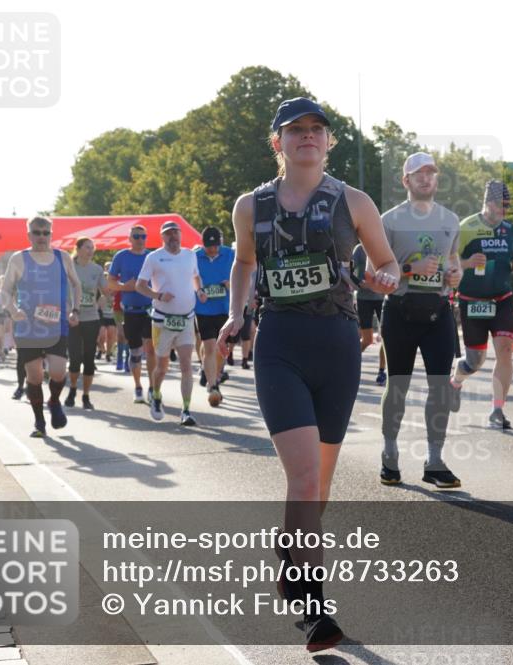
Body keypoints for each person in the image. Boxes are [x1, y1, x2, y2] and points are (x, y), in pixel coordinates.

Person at [217, 97, 398, 652]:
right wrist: (236, 313)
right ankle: (316, 611)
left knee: (318, 489)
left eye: (317, 129)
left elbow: (386, 261)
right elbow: (244, 261)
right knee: (303, 478)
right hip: (281, 345)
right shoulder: (251, 205)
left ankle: (291, 553)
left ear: (328, 141)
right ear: (278, 142)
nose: (308, 137)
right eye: (295, 130)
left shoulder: (353, 201)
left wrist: (387, 277)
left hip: (338, 346)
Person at [379, 152, 463, 488]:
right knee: (398, 386)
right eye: (418, 173)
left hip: (438, 310)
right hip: (399, 310)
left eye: (430, 172)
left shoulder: (450, 219)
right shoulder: (388, 220)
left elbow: (453, 259)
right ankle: (389, 454)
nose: (426, 178)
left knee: (440, 387)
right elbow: (374, 272)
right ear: (406, 180)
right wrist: (410, 269)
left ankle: (435, 461)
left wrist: (455, 274)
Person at [451, 179, 513, 429]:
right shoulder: (467, 227)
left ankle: (497, 410)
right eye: (501, 204)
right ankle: (456, 381)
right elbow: (447, 261)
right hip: (472, 301)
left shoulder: (509, 229)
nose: (505, 209)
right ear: (488, 203)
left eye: (508, 205)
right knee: (474, 361)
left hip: (502, 299)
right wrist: (467, 263)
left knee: (505, 351)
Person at [1, 216, 82, 437]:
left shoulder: (62, 257)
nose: (41, 237)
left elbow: (77, 285)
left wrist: (75, 310)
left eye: (46, 233)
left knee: (58, 371)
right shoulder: (19, 259)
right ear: (29, 235)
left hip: (57, 324)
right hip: (28, 327)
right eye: (37, 232)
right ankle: (39, 422)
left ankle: (54, 400)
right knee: (35, 376)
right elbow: (5, 290)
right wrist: (13, 310)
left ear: (51, 234)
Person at [136, 221, 205, 425]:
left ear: (180, 235)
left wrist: (200, 290)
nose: (173, 236)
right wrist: (158, 295)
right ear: (162, 237)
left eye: (175, 232)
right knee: (162, 367)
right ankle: (156, 394)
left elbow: (196, 277)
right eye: (168, 233)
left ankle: (186, 410)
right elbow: (140, 286)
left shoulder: (190, 255)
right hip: (162, 320)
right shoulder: (154, 257)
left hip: (186, 318)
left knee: (186, 365)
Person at [109, 225, 156, 404]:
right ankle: (138, 386)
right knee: (135, 351)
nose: (140, 239)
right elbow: (110, 282)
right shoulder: (121, 256)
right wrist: (124, 287)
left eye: (143, 236)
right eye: (136, 236)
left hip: (150, 309)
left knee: (150, 349)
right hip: (130, 310)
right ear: (129, 239)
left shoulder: (152, 256)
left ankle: (152, 387)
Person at [65, 237, 108, 410]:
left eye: (92, 247)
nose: (91, 250)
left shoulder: (97, 269)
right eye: (87, 247)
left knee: (89, 359)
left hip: (91, 318)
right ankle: (72, 390)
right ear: (78, 249)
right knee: (75, 358)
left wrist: (103, 299)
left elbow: (106, 291)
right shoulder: (68, 267)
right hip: (73, 319)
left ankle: (86, 396)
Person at [194, 226, 234, 406]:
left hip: (225, 309)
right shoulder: (195, 256)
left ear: (221, 242)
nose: (212, 249)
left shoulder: (230, 254)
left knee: (221, 349)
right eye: (209, 246)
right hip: (203, 309)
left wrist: (231, 284)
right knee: (210, 346)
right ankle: (213, 385)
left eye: (215, 245)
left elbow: (244, 273)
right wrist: (199, 291)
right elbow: (191, 277)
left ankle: (215, 375)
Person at [351, 243, 387, 385]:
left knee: (386, 338)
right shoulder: (359, 249)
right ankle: (349, 363)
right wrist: (360, 283)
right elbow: (350, 271)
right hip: (364, 298)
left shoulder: (384, 245)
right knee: (367, 340)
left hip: (382, 298)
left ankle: (381, 371)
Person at [97, 261, 119, 364]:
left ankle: (108, 353)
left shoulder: (116, 287)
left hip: (112, 315)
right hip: (102, 315)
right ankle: (101, 349)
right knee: (101, 336)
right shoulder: (101, 290)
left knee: (111, 335)